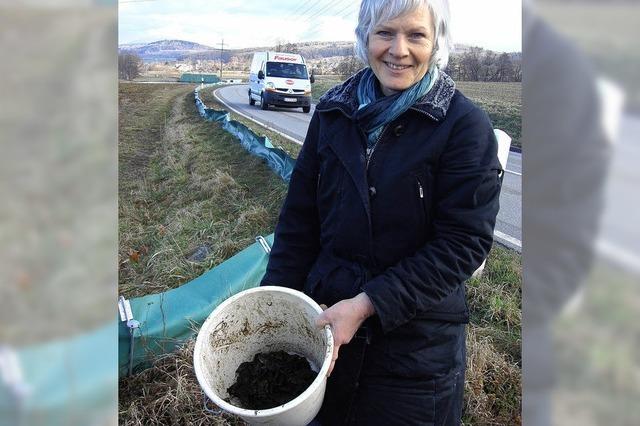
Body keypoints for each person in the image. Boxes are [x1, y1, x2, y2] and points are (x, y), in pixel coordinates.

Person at [260, 0, 503, 424]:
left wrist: (368, 303)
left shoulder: (463, 127)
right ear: (365, 37)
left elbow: (464, 243)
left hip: (415, 354)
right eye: (385, 33)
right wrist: (272, 308)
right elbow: (299, 222)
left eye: (416, 35)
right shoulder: (333, 113)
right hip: (328, 328)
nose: (399, 49)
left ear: (436, 43)